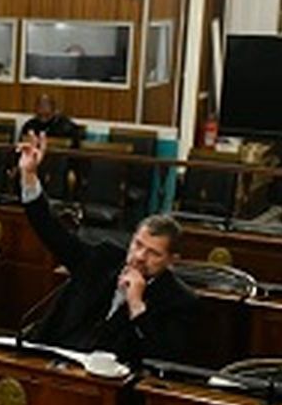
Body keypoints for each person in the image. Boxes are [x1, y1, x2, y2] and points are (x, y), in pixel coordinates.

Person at [17, 133, 196, 365]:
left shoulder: (178, 301)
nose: (140, 256)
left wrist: (136, 305)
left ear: (172, 260)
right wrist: (29, 175)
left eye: (153, 253)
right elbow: (53, 233)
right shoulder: (103, 258)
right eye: (138, 245)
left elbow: (162, 359)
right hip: (51, 359)